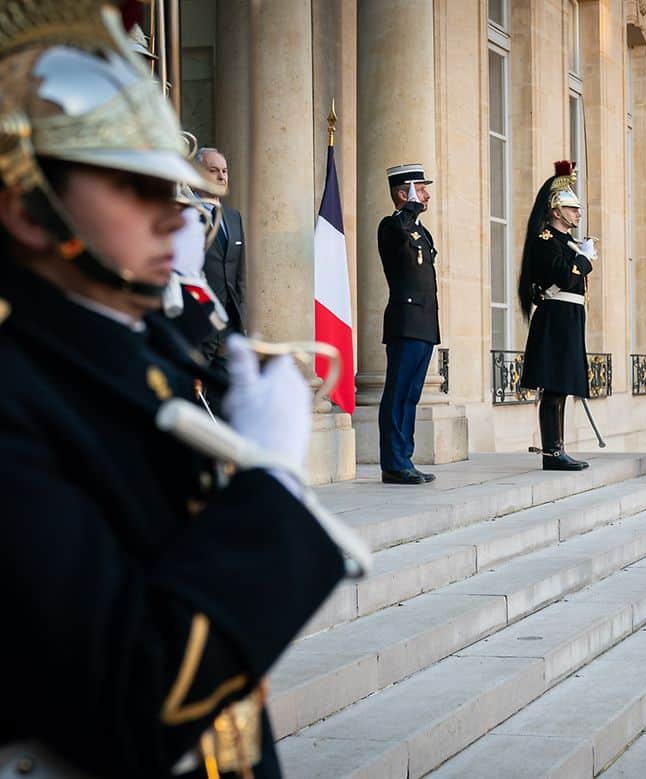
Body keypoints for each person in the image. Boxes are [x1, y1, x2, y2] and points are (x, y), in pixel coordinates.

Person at [0, 7, 345, 776]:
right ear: (25, 206)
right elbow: (139, 693)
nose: (176, 214)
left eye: (176, 187)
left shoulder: (131, 338)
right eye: (134, 186)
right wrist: (269, 488)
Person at [517, 160, 593, 471]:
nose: (578, 213)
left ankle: (558, 447)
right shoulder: (546, 239)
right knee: (553, 385)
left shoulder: (567, 242)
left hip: (570, 314)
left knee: (561, 385)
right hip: (556, 315)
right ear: (556, 210)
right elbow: (565, 277)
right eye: (572, 208)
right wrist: (584, 261)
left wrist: (580, 255)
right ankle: (552, 451)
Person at [378, 163, 439, 485]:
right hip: (405, 320)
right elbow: (397, 243)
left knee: (412, 394)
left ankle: (405, 458)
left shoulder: (420, 230)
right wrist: (407, 209)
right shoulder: (392, 226)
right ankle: (394, 462)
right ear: (404, 193)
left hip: (424, 321)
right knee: (398, 392)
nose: (427, 194)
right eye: (421, 188)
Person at [194, 147, 247, 374]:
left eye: (224, 171)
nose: (221, 176)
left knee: (224, 402)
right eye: (213, 170)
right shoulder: (184, 215)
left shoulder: (234, 217)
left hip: (228, 328)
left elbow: (240, 275)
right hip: (197, 324)